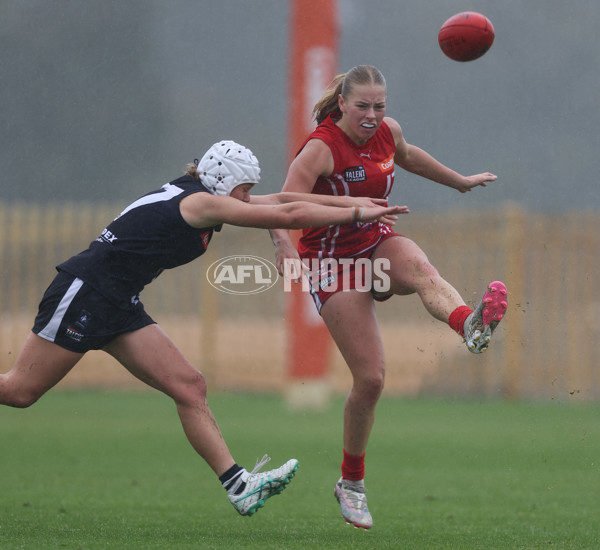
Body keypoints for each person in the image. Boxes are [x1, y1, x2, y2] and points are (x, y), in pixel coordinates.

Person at [0, 140, 406, 518]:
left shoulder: (201, 196)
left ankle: (239, 485)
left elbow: (283, 199)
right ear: (225, 182)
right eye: (244, 190)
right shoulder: (201, 204)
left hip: (118, 301)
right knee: (20, 392)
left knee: (190, 386)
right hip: (87, 293)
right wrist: (357, 213)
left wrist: (354, 200)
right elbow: (285, 214)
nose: (247, 199)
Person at [269, 66, 508, 529]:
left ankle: (470, 325)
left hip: (377, 243)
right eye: (362, 106)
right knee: (372, 380)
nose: (372, 115)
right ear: (342, 103)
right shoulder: (320, 148)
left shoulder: (386, 132)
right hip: (333, 266)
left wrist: (457, 181)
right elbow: (283, 203)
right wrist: (281, 244)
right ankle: (351, 483)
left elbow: (408, 155)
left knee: (421, 270)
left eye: (380, 107)